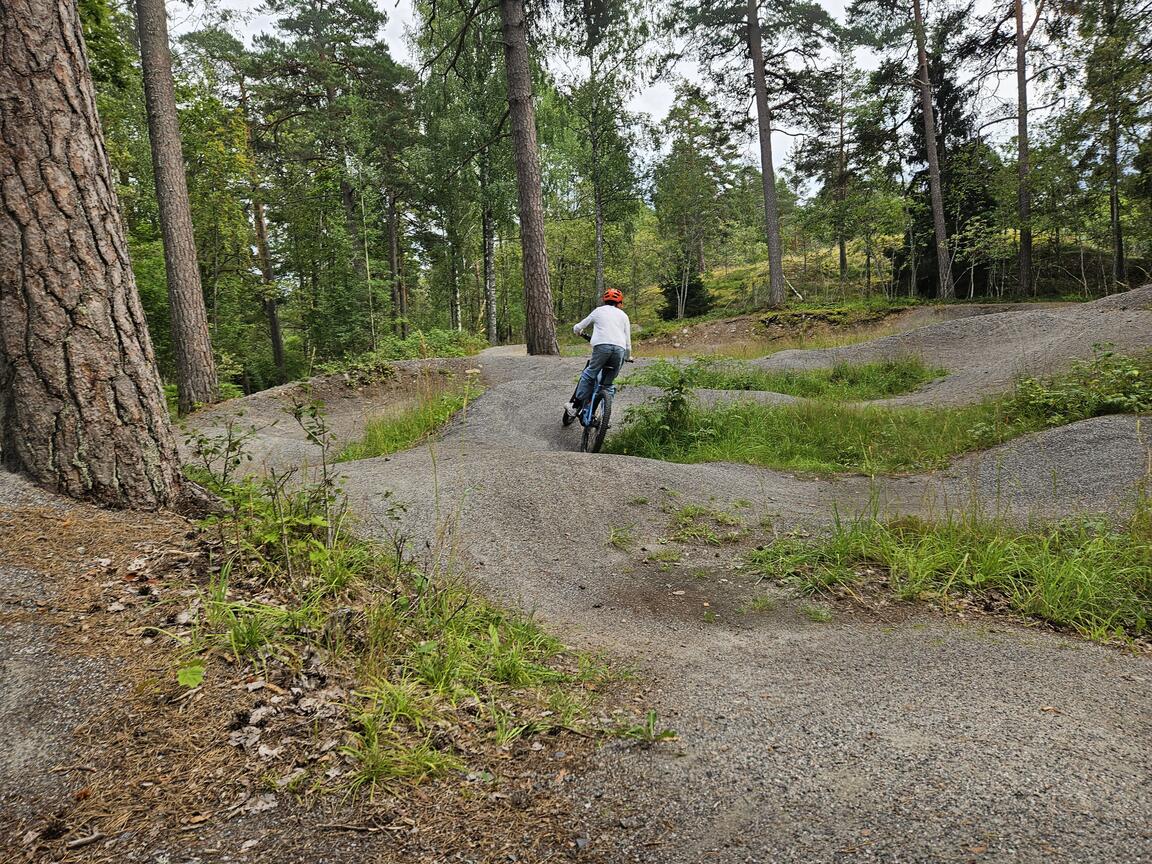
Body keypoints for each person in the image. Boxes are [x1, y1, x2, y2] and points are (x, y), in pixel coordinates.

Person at [566, 288, 632, 420]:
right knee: (608, 384)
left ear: (605, 300)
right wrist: (628, 356)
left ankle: (575, 406)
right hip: (619, 349)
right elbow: (628, 341)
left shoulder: (598, 311)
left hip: (602, 347)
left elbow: (578, 327)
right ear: (619, 303)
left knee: (589, 374)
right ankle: (604, 416)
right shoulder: (624, 316)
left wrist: (577, 331)